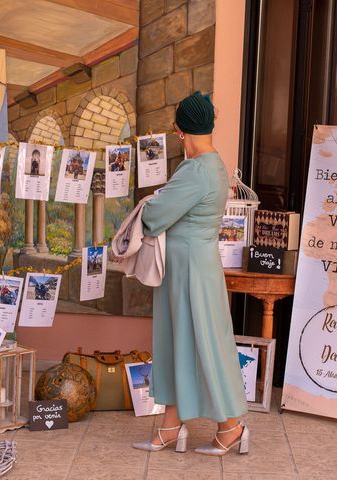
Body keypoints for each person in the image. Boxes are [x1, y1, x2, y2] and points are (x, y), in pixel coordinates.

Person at [132, 92, 249, 456]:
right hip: (192, 265)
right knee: (182, 342)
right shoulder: (214, 165)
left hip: (189, 269)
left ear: (182, 131)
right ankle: (171, 424)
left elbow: (155, 217)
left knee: (203, 344)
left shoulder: (196, 169)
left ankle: (231, 426)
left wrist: (149, 202)